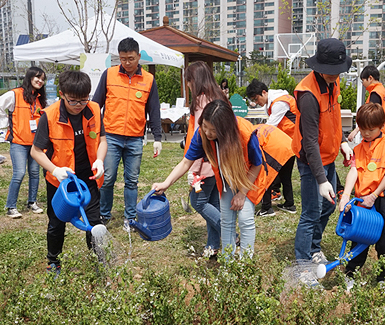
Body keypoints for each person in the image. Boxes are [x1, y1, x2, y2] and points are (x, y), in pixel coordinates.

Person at [153, 100, 290, 257]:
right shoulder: (202, 134)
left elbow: (257, 165)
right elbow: (185, 162)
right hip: (226, 179)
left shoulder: (245, 134)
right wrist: (166, 183)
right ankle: (228, 261)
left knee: (245, 219)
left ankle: (246, 263)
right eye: (205, 126)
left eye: (213, 130)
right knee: (226, 220)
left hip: (248, 177)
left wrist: (242, 193)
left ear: (225, 129)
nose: (208, 133)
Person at [30, 70, 107, 274]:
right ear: (62, 94)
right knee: (56, 223)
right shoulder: (50, 115)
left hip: (88, 178)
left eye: (84, 100)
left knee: (94, 222)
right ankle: (53, 261)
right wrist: (55, 170)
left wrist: (99, 159)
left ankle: (99, 262)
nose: (79, 105)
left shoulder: (94, 110)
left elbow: (102, 140)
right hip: (61, 182)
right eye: (73, 101)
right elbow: (36, 151)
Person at [292, 38, 353, 264]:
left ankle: (314, 247)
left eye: (337, 71)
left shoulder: (333, 83)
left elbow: (334, 119)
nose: (335, 75)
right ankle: (303, 263)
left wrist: (343, 142)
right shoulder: (308, 96)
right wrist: (320, 179)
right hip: (311, 160)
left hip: (328, 156)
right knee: (311, 213)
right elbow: (309, 141)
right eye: (330, 71)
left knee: (328, 206)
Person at [92, 37, 162, 225]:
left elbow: (154, 109)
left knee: (131, 180)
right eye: (123, 59)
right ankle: (104, 214)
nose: (127, 63)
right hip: (111, 136)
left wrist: (157, 137)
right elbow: (95, 104)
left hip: (135, 138)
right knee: (107, 178)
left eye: (131, 58)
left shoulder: (148, 79)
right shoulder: (109, 74)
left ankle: (130, 217)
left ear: (139, 56)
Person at [339, 102, 385, 298]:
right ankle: (351, 276)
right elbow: (353, 171)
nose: (366, 134)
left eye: (371, 130)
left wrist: (374, 195)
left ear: (381, 125)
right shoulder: (357, 149)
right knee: (358, 238)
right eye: (363, 129)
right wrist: (347, 196)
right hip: (362, 202)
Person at [183, 61, 228, 257]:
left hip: (204, 165)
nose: (188, 86)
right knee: (213, 202)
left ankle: (229, 233)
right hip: (218, 162)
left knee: (198, 201)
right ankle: (212, 246)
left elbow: (201, 137)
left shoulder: (202, 102)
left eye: (189, 81)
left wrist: (194, 170)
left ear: (195, 81)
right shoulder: (219, 97)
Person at [0, 67, 47, 218]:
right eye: (37, 77)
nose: (40, 81)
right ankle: (11, 206)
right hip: (18, 142)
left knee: (34, 173)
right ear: (29, 78)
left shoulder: (40, 98)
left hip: (35, 143)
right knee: (19, 173)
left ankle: (32, 202)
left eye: (42, 79)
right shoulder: (15, 94)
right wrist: (5, 120)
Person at [245, 79, 298, 216]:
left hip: (284, 143)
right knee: (285, 176)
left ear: (264, 92)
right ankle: (289, 204)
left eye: (256, 99)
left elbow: (269, 126)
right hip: (288, 144)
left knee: (266, 173)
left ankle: (267, 207)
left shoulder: (279, 102)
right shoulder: (277, 99)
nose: (256, 103)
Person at [347, 65, 385, 140]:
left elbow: (369, 116)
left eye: (363, 80)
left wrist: (356, 130)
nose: (363, 84)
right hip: (381, 133)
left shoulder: (375, 93)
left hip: (374, 135)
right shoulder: (382, 90)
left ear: (370, 78)